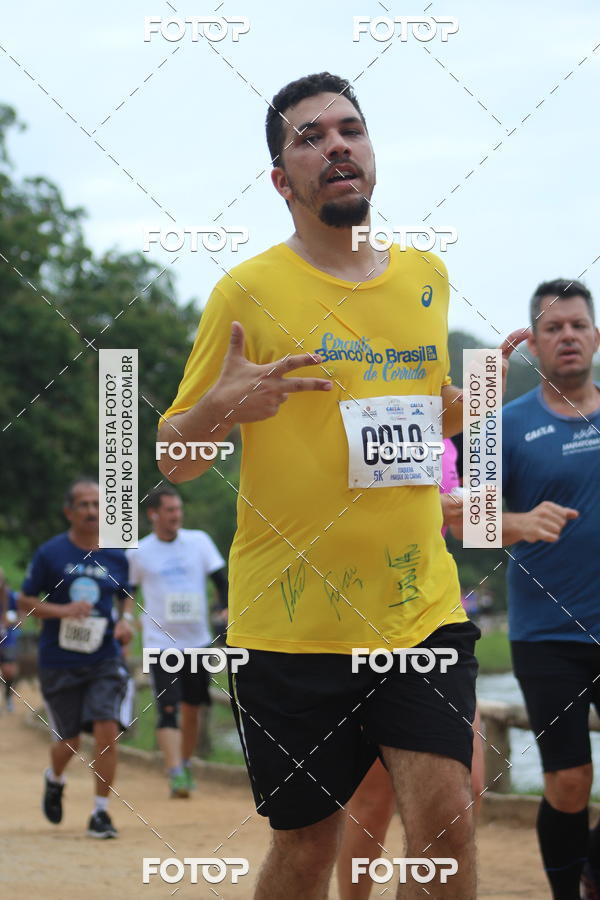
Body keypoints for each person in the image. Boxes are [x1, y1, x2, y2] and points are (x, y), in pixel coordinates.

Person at [157, 72, 524, 899]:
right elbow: (173, 457)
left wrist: (476, 402)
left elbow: (419, 421)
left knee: (446, 826)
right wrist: (222, 405)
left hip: (417, 612)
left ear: (372, 156)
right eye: (310, 137)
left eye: (350, 129)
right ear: (282, 179)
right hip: (290, 626)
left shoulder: (425, 277)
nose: (336, 146)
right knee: (306, 852)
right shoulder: (245, 292)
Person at [336, 438, 486, 900]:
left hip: (437, 617)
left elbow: (472, 521)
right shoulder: (350, 416)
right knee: (373, 801)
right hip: (362, 619)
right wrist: (434, 505)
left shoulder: (445, 439)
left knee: (465, 794)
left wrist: (469, 506)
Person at [501, 278, 600, 900]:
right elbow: (462, 520)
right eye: (552, 328)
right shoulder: (505, 425)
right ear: (533, 346)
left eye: (576, 325)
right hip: (547, 635)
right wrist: (518, 521)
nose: (566, 336)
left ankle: (592, 868)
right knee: (569, 783)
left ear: (596, 338)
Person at [18, 478, 134, 838]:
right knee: (70, 741)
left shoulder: (117, 554)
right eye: (83, 504)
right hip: (59, 659)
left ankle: (101, 813)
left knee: (106, 730)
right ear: (69, 512)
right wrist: (63, 610)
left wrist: (125, 621)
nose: (91, 511)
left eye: (97, 504)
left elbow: (127, 595)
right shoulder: (51, 553)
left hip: (104, 657)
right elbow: (25, 601)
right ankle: (54, 779)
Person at [126, 486, 227, 797]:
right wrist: (128, 621)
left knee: (193, 707)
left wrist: (225, 606)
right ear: (153, 514)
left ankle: (185, 762)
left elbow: (221, 579)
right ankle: (175, 773)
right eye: (170, 510)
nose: (176, 515)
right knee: (167, 708)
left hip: (196, 641)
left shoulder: (199, 542)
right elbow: (127, 593)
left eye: (179, 509)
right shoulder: (139, 552)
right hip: (160, 643)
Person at [0, 569, 19, 712]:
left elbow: (21, 614)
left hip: (7, 638)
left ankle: (7, 696)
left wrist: (12, 621)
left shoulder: (11, 596)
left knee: (8, 671)